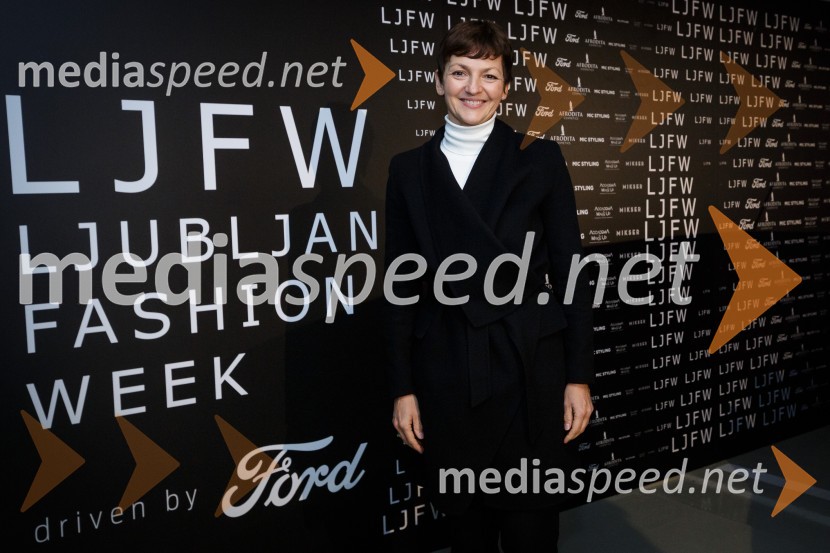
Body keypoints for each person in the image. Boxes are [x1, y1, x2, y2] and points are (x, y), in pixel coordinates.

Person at [384, 20, 594, 552]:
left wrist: (578, 375)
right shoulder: (408, 171)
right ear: (438, 81)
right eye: (460, 72)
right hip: (447, 374)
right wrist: (403, 387)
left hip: (528, 374)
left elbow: (571, 273)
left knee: (530, 534)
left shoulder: (539, 158)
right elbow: (401, 287)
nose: (472, 87)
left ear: (505, 87)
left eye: (488, 74)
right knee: (466, 535)